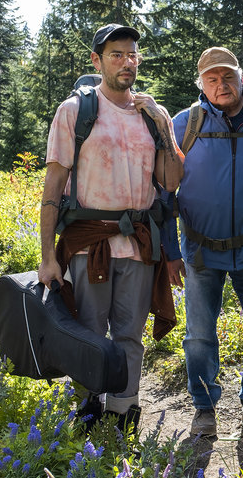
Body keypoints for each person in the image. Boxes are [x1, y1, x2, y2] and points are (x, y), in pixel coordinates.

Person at [38, 23, 184, 432]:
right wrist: (48, 256)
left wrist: (162, 124)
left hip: (137, 244)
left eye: (132, 54)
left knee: (129, 336)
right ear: (97, 60)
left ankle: (123, 416)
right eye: (116, 54)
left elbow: (171, 182)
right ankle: (86, 415)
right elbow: (52, 189)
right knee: (87, 332)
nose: (126, 62)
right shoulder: (75, 111)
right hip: (89, 242)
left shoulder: (153, 116)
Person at [171, 47, 243, 438]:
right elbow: (161, 187)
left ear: (241, 76)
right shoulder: (185, 124)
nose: (221, 85)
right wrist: (169, 250)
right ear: (201, 84)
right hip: (201, 251)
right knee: (199, 337)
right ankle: (204, 408)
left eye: (228, 76)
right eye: (211, 79)